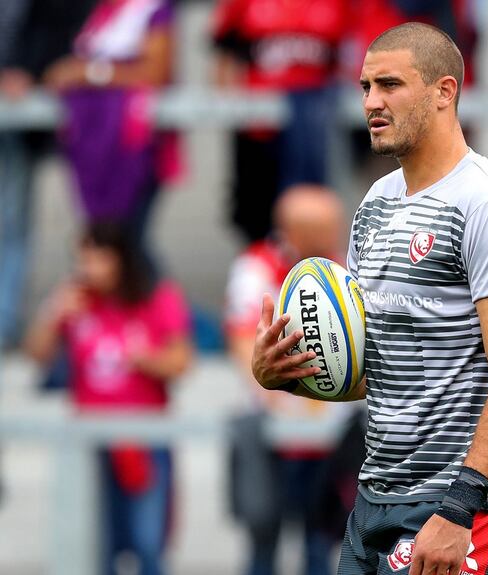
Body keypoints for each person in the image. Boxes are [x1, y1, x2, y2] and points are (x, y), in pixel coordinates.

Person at [250, 22, 488, 575]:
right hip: (376, 503)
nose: (371, 102)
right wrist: (289, 373)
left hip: (463, 510)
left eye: (389, 85)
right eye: (365, 87)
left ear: (445, 92)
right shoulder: (375, 205)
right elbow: (386, 375)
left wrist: (459, 508)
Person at [23, 221, 193, 575]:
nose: (88, 268)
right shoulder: (76, 301)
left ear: (120, 258)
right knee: (94, 545)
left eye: (97, 258)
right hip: (90, 444)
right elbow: (36, 356)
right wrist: (51, 315)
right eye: (82, 259)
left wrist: (146, 358)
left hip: (143, 441)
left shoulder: (156, 296)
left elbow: (181, 361)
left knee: (148, 544)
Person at [224, 185, 353, 575]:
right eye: (325, 230)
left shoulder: (344, 266)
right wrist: (287, 394)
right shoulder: (256, 268)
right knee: (263, 541)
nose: (336, 237)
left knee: (321, 542)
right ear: (294, 232)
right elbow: (245, 344)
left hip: (331, 433)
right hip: (272, 431)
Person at [0, 0, 99, 349]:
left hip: (37, 108)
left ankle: (7, 322)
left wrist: (29, 70)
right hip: (17, 109)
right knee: (11, 221)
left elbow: (64, 28)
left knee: (17, 221)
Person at [211, 0, 350, 245]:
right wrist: (230, 107)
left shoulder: (337, 5)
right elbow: (225, 52)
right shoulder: (244, 5)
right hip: (258, 126)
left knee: (309, 207)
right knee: (256, 214)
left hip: (312, 124)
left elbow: (348, 56)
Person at [44, 0, 176, 245]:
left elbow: (155, 72)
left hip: (135, 145)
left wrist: (90, 74)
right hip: (94, 147)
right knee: (105, 246)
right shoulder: (100, 11)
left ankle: (155, 286)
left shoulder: (153, 8)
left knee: (128, 247)